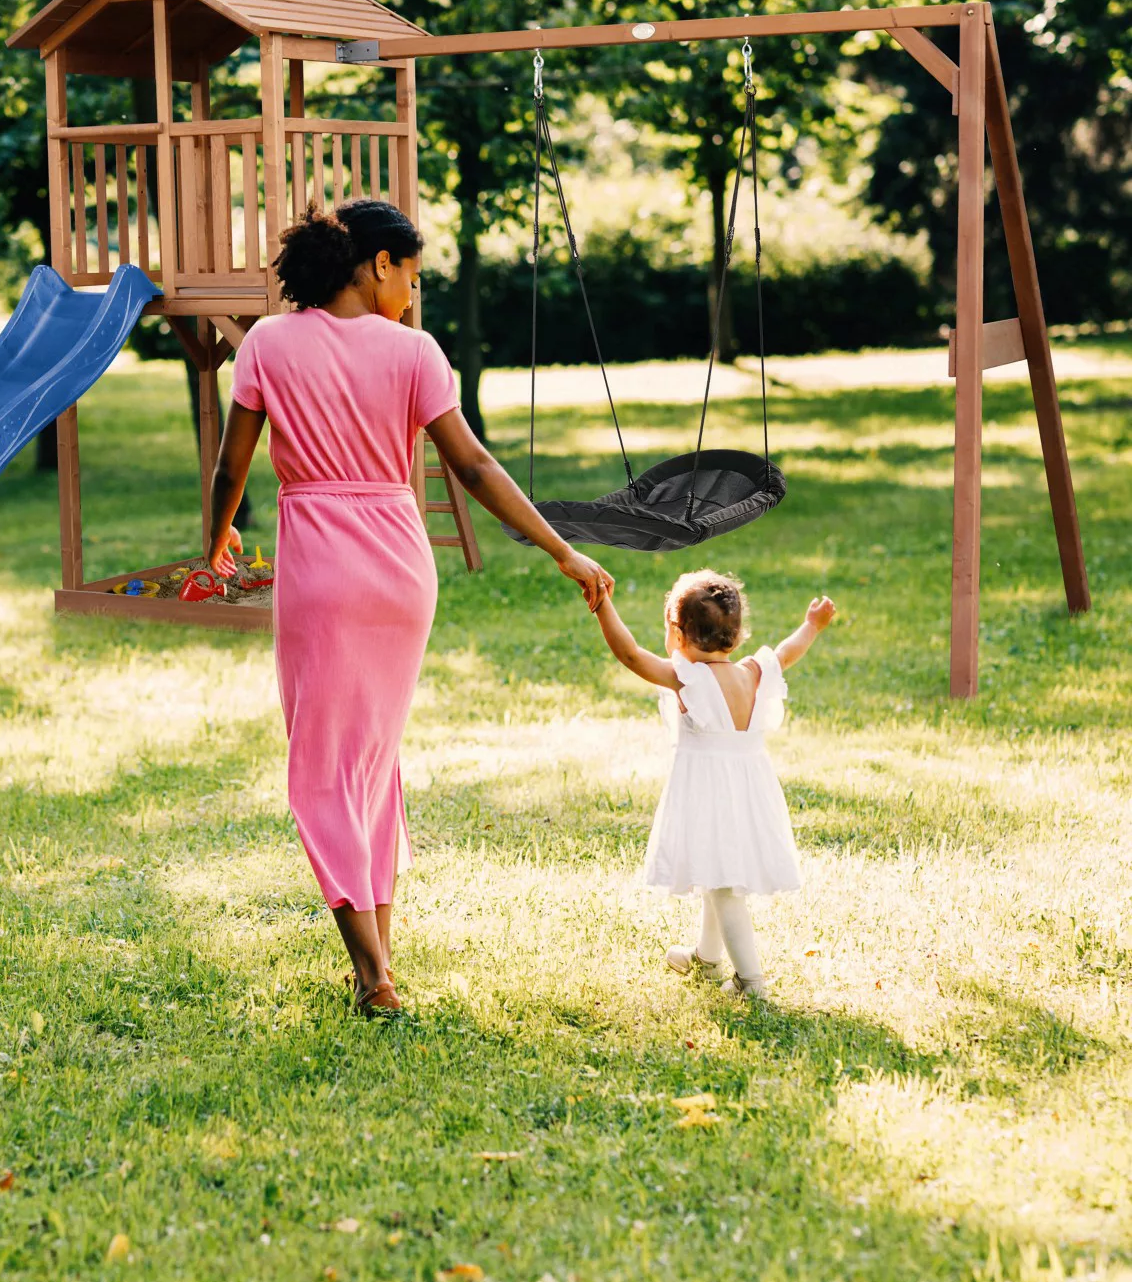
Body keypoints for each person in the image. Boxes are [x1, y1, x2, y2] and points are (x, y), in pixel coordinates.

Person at [208, 199, 613, 1015]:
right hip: (399, 567)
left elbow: (231, 468)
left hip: (321, 566)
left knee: (323, 770)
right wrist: (561, 548)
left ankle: (372, 975)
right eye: (413, 276)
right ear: (378, 264)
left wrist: (214, 542)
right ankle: (379, 960)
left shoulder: (268, 344)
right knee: (371, 764)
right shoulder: (416, 353)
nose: (415, 296)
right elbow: (473, 467)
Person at [592, 569, 836, 999]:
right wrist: (811, 625)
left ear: (677, 634)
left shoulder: (688, 679)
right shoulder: (755, 672)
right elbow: (787, 651)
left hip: (710, 795)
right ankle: (706, 959)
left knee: (723, 888)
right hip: (749, 792)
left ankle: (750, 981)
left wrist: (602, 604)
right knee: (714, 871)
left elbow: (630, 654)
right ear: (737, 636)